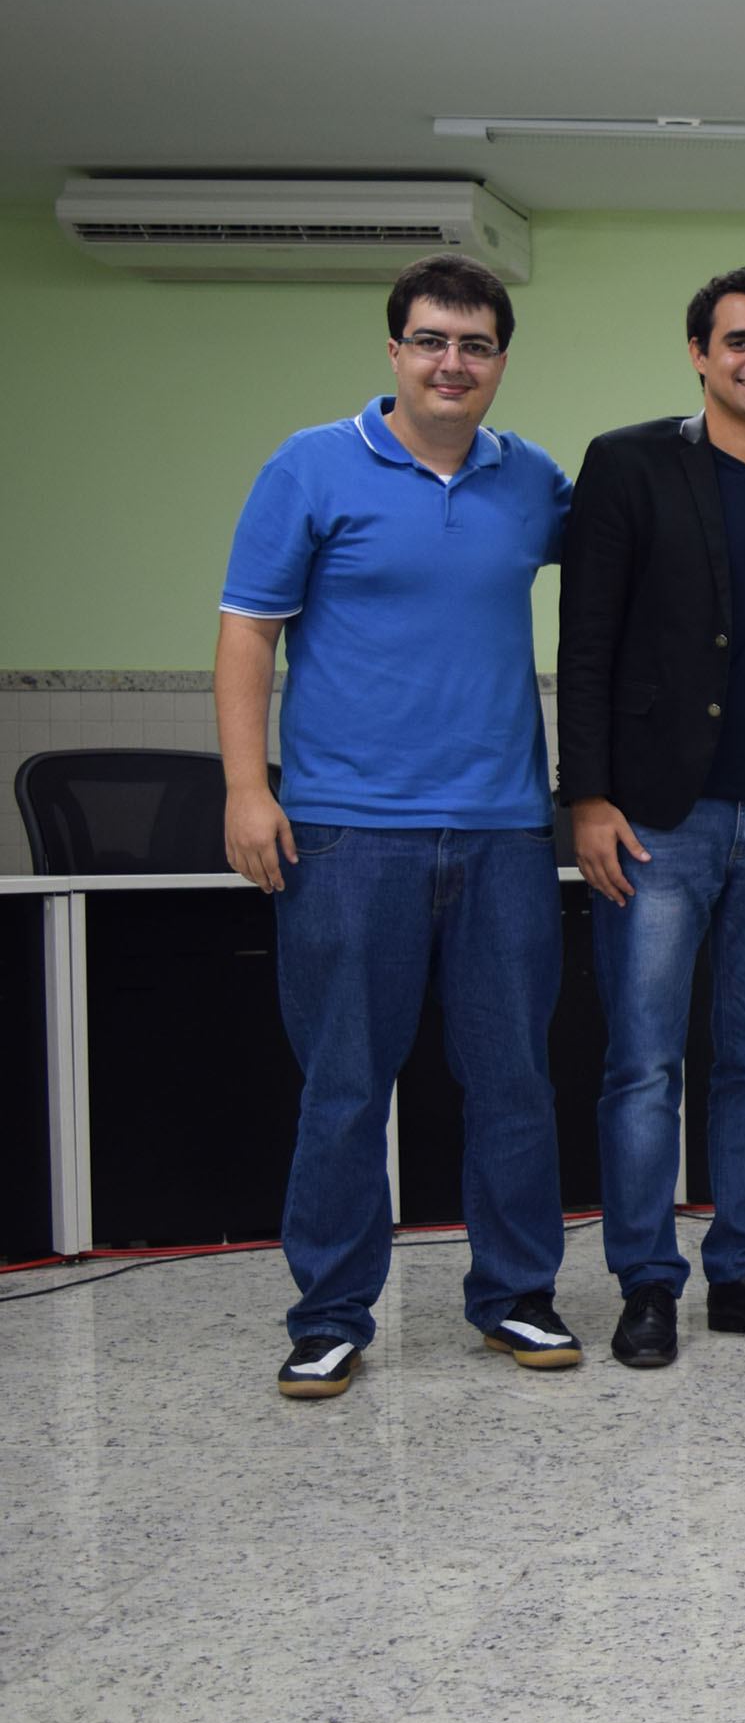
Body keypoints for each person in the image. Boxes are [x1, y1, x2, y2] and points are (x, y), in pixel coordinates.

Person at [218, 253, 579, 1397]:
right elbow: (247, 631)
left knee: (514, 1080)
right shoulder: (311, 465)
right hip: (345, 834)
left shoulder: (532, 481)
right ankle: (330, 1315)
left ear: (501, 361)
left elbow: (644, 540)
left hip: (504, 832)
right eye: (431, 340)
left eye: (475, 345)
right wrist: (246, 789)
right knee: (343, 1086)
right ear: (394, 350)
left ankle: (516, 1295)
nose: (451, 363)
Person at [558, 266, 745, 1367]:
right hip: (655, 820)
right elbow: (586, 640)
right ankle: (646, 1282)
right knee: (642, 1065)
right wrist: (587, 796)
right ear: (699, 353)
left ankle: (743, 1271)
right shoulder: (629, 463)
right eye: (738, 341)